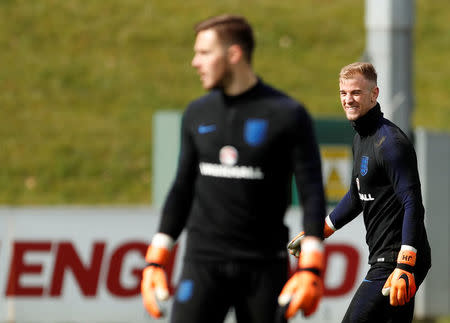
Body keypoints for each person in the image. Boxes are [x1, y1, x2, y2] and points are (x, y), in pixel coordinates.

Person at [141, 14, 327, 323]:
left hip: (265, 267)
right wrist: (156, 259)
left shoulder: (288, 115)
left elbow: (311, 193)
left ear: (234, 54)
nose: (194, 62)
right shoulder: (196, 113)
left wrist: (312, 266)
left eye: (204, 53)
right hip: (202, 263)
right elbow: (182, 189)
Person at [288, 62, 431, 323]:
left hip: (395, 261)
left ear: (374, 94)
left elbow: (413, 203)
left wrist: (405, 264)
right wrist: (321, 231)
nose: (348, 100)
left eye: (355, 93)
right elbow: (357, 195)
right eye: (343, 93)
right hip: (387, 258)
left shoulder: (390, 143)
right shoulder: (361, 137)